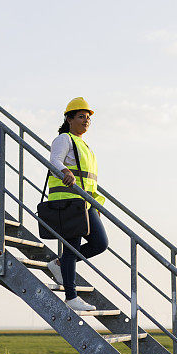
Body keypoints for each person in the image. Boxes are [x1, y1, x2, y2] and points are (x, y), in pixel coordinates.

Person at [46, 97, 108, 312]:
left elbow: (90, 180)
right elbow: (54, 160)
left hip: (85, 204)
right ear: (69, 119)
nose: (86, 120)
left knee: (100, 244)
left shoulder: (85, 145)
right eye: (81, 116)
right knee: (71, 246)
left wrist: (96, 206)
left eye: (88, 117)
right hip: (67, 201)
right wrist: (65, 171)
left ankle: (59, 264)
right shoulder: (64, 139)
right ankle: (71, 297)